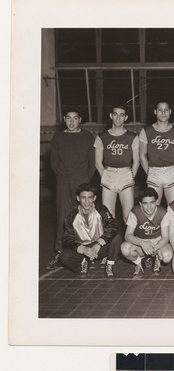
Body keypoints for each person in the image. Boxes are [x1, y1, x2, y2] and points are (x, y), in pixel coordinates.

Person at [46, 108, 95, 269]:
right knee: (63, 214)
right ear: (64, 120)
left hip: (81, 180)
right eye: (69, 118)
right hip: (63, 180)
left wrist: (84, 181)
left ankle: (86, 253)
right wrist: (62, 176)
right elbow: (53, 162)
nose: (72, 122)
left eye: (75, 118)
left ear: (80, 119)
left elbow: (92, 162)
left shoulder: (87, 136)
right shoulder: (58, 136)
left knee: (83, 216)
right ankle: (60, 250)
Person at [59, 183, 120, 280]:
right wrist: (83, 250)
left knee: (116, 237)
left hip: (99, 246)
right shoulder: (71, 215)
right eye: (83, 197)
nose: (87, 201)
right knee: (64, 257)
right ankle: (83, 262)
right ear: (78, 198)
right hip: (83, 247)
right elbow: (67, 238)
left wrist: (99, 244)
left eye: (90, 197)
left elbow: (113, 226)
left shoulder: (101, 209)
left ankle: (109, 264)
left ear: (94, 198)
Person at [94, 104, 139, 222]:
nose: (118, 118)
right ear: (110, 116)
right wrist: (104, 176)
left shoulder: (132, 137)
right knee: (108, 218)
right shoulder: (102, 137)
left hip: (126, 174)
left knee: (129, 217)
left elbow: (137, 161)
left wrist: (131, 177)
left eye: (121, 115)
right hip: (108, 174)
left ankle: (130, 241)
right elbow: (98, 162)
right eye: (115, 114)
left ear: (126, 117)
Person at [139, 101, 174, 205]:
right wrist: (149, 172)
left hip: (171, 171)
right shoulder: (146, 131)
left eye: (166, 110)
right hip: (153, 171)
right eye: (160, 110)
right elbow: (142, 156)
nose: (163, 113)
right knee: (153, 207)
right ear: (155, 112)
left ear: (170, 112)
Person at [120, 187, 173, 278]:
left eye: (152, 203)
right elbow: (127, 235)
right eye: (145, 203)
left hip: (157, 242)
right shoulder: (135, 212)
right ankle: (139, 263)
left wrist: (155, 248)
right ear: (140, 204)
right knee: (125, 248)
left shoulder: (163, 212)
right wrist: (142, 243)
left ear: (156, 202)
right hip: (141, 242)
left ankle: (157, 258)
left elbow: (165, 237)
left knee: (167, 256)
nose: (149, 207)